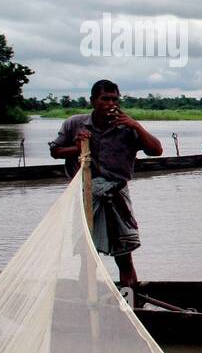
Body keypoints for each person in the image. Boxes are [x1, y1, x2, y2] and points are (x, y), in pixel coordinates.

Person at [49, 80, 164, 293]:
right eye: (105, 99)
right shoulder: (76, 124)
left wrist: (136, 125)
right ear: (93, 101)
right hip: (86, 195)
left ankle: (130, 304)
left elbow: (156, 151)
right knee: (87, 255)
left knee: (124, 254)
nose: (110, 103)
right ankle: (88, 301)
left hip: (116, 194)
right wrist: (77, 147)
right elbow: (55, 151)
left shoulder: (127, 127)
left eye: (114, 99)